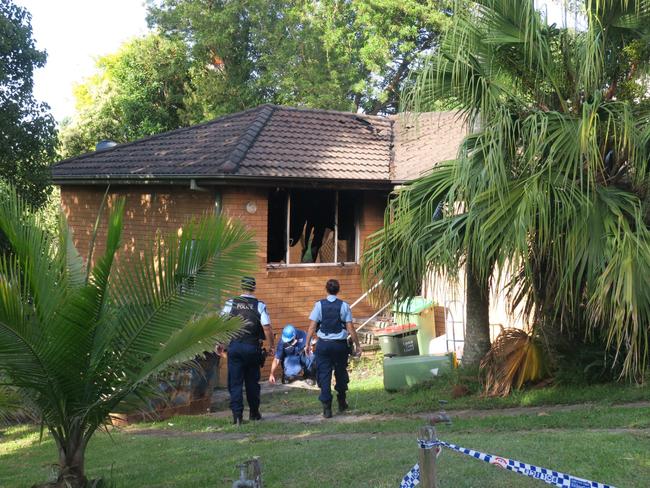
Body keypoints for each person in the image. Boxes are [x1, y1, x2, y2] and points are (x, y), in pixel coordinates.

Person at [305, 279, 362, 418]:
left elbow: (312, 326)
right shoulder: (344, 306)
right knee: (341, 372)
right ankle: (342, 401)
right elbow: (350, 328)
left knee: (324, 374)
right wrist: (357, 345)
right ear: (338, 290)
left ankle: (327, 408)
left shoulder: (319, 305)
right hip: (339, 345)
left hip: (323, 344)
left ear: (326, 289)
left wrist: (307, 344)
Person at [222, 276, 274, 425]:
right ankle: (254, 413)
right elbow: (267, 327)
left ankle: (237, 416)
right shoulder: (259, 305)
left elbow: (221, 324)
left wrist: (220, 343)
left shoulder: (230, 303)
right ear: (254, 288)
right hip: (252, 348)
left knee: (235, 383)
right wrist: (271, 346)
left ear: (241, 287)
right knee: (252, 382)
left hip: (235, 347)